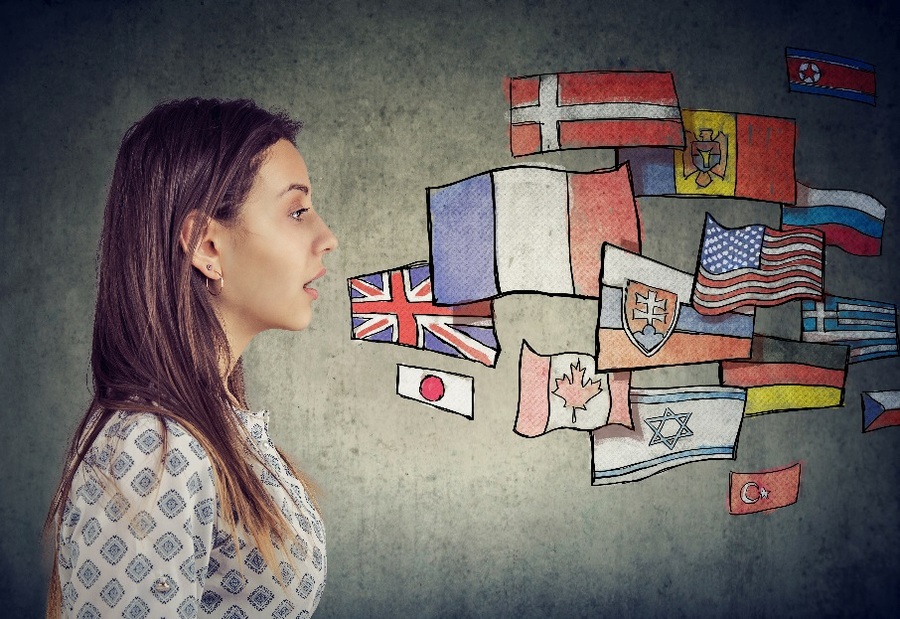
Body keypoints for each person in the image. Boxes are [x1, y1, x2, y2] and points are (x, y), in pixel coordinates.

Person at [43, 98, 338, 618]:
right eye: (297, 211)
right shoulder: (148, 446)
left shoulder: (206, 426)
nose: (327, 238)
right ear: (206, 246)